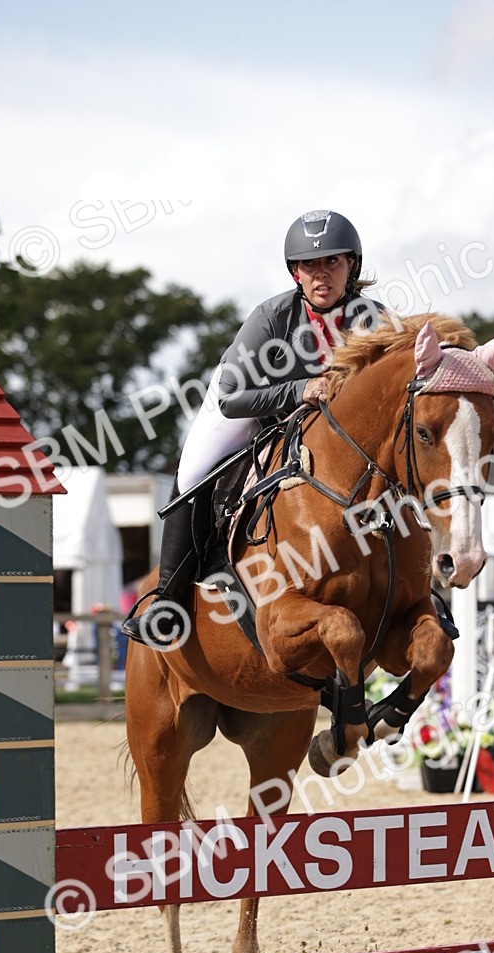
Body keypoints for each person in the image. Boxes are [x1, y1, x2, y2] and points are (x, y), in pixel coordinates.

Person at [122, 209, 384, 647]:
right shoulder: (272, 317)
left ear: (351, 265)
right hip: (251, 412)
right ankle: (166, 600)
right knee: (192, 475)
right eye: (309, 266)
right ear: (295, 272)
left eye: (332, 263)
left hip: (339, 433)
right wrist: (300, 390)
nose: (322, 275)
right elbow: (230, 398)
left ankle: (425, 588)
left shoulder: (374, 319)